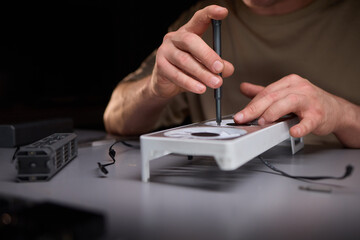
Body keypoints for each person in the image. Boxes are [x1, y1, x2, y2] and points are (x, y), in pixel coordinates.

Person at [104, 0, 360, 148]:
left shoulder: (351, 15)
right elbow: (114, 118)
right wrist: (153, 89)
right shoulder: (200, 21)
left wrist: (343, 114)